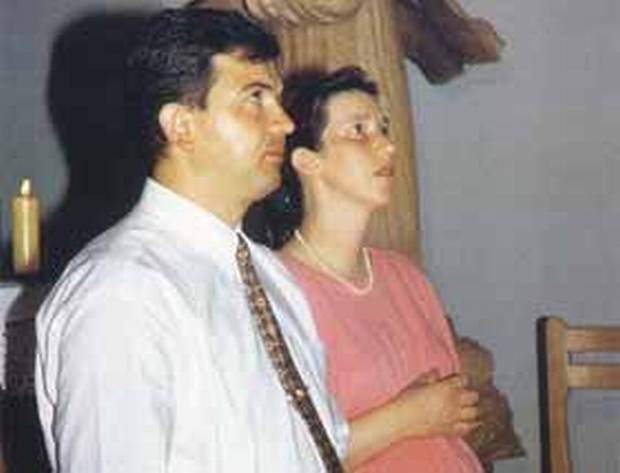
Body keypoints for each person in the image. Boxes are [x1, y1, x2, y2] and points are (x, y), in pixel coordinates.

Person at [34, 9, 348, 472]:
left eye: (277, 99)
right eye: (255, 98)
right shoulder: (122, 292)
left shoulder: (272, 276)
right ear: (181, 125)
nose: (284, 122)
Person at [258, 66, 483, 471]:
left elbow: (455, 410)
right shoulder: (275, 290)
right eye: (359, 131)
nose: (388, 146)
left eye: (384, 129)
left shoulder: (406, 277)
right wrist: (408, 417)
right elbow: (281, 456)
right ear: (307, 161)